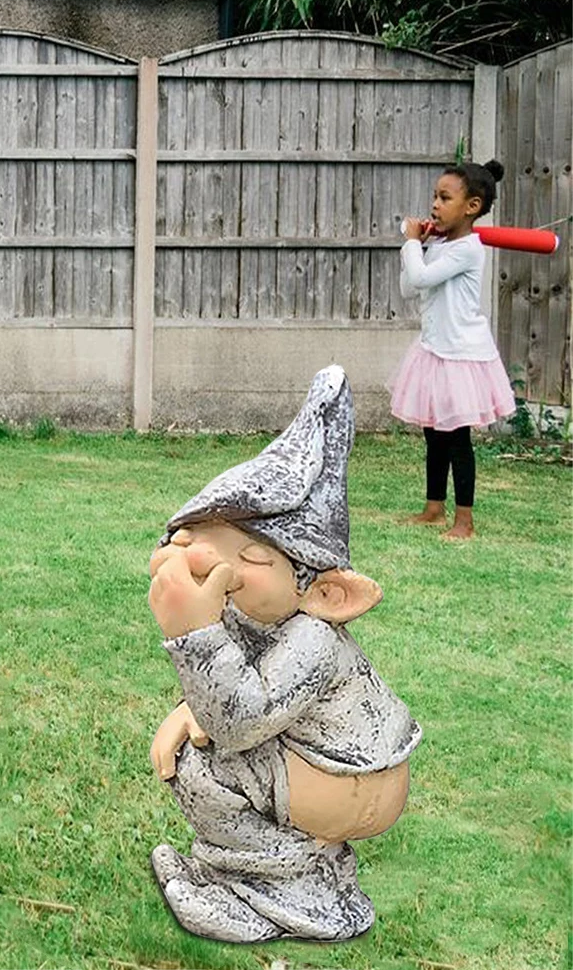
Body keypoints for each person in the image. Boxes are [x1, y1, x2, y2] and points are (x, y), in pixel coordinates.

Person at [147, 367, 422, 943]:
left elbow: (241, 722)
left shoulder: (313, 638)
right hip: (323, 769)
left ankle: (276, 893)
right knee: (199, 743)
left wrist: (193, 633)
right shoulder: (262, 614)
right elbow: (248, 688)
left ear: (327, 594)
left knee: (202, 768)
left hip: (351, 782)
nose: (218, 567)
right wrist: (192, 707)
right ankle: (254, 873)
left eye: (251, 557)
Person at [389, 160, 515, 540]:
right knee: (434, 433)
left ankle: (464, 521)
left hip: (462, 356)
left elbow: (422, 275)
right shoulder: (442, 245)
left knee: (458, 438)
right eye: (435, 196)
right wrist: (419, 246)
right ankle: (433, 508)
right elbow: (411, 286)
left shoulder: (468, 250)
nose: (434, 205)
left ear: (471, 207)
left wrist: (413, 243)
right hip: (434, 351)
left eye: (445, 198)